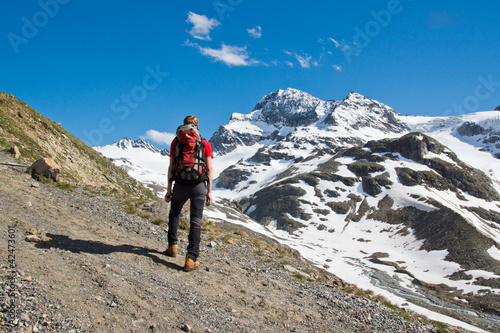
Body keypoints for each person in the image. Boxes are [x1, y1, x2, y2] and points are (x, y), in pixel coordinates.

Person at [164, 115, 213, 271]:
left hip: (180, 184)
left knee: (174, 213)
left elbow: (171, 166)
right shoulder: (204, 143)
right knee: (196, 221)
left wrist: (168, 189)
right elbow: (210, 169)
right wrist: (209, 191)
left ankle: (172, 246)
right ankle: (191, 258)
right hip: (199, 185)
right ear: (198, 127)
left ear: (184, 126)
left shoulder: (176, 142)